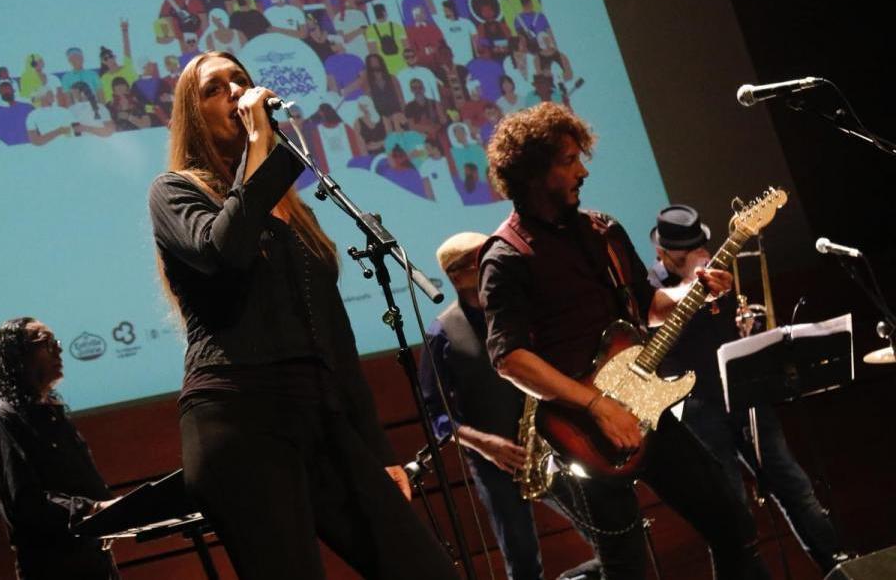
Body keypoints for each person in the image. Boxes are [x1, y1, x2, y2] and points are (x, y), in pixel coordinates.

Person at [146, 51, 456, 580]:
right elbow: (226, 252)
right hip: (240, 420)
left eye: (240, 80)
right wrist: (261, 148)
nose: (236, 92)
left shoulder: (293, 208)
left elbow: (333, 334)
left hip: (321, 418)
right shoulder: (175, 191)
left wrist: (378, 451)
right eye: (214, 88)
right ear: (192, 115)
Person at [480, 102, 771, 579]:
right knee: (627, 567)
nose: (583, 170)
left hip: (645, 406)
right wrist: (596, 406)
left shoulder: (602, 230)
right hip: (581, 432)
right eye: (569, 160)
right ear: (534, 172)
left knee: (731, 522)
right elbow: (510, 359)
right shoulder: (506, 256)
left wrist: (693, 291)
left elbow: (646, 305)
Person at [649, 205, 849, 575]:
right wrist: (693, 287)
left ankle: (839, 567)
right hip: (697, 410)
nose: (695, 258)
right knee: (731, 514)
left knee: (795, 486)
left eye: (698, 248)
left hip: (744, 394)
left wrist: (746, 328)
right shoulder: (652, 290)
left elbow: (726, 330)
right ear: (661, 255)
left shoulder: (716, 272)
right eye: (682, 254)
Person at [420, 232, 599, 580]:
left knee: (608, 538)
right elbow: (435, 414)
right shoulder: (441, 332)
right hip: (496, 462)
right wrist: (484, 444)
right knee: (522, 563)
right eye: (478, 260)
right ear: (457, 275)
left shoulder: (522, 312)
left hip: (553, 445)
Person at [0, 317, 120, 580]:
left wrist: (110, 514)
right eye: (46, 343)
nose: (59, 350)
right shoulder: (2, 420)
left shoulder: (50, 410)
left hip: (94, 559)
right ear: (17, 357)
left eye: (57, 342)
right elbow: (27, 504)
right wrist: (93, 509)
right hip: (55, 568)